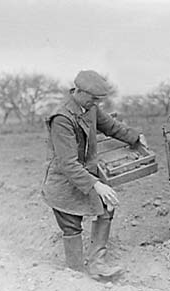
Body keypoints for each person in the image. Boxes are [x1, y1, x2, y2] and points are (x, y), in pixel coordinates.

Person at [42, 70, 147, 279]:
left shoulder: (90, 108)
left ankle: (97, 264)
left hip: (84, 175)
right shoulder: (62, 118)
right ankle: (75, 274)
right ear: (79, 91)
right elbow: (68, 164)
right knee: (71, 225)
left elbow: (112, 127)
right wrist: (97, 184)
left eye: (99, 99)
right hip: (63, 181)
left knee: (106, 207)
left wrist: (135, 137)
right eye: (93, 98)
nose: (96, 103)